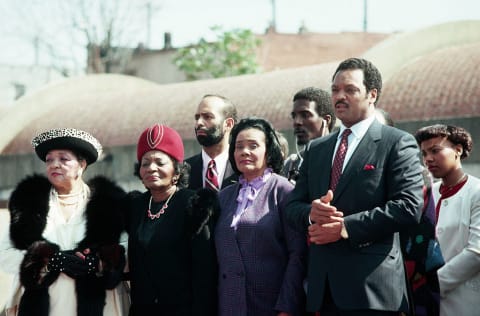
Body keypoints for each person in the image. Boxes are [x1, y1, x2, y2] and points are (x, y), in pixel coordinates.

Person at [285, 57, 424, 315]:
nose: (340, 96)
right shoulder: (317, 149)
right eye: (335, 90)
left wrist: (345, 228)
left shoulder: (396, 143)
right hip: (323, 289)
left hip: (373, 291)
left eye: (350, 89)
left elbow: (409, 206)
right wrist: (310, 213)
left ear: (372, 95)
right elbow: (291, 206)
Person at [0, 128, 129, 316]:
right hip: (45, 304)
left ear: (82, 164)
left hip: (99, 303)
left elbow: (127, 249)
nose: (54, 165)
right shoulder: (29, 205)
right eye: (49, 160)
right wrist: (50, 260)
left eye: (64, 159)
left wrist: (98, 262)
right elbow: (5, 254)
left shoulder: (107, 203)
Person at [215, 117, 307, 316]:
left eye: (253, 146)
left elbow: (297, 254)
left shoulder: (284, 191)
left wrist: (287, 306)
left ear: (269, 151)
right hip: (229, 306)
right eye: (239, 147)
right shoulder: (223, 197)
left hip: (271, 306)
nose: (244, 152)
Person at [125, 123, 217, 316]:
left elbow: (204, 274)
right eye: (145, 163)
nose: (151, 168)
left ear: (177, 170)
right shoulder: (135, 206)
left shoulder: (194, 205)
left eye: (160, 162)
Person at [414, 124, 480, 316]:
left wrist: (431, 285)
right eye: (424, 153)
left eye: (435, 150)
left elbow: (476, 252)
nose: (428, 159)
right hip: (424, 302)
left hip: (466, 300)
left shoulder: (476, 192)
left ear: (458, 150)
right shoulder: (427, 193)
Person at [282, 87, 336, 183]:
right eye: (294, 116)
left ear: (326, 120)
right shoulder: (291, 164)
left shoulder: (340, 159)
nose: (296, 122)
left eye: (305, 115)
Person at [186, 94, 238, 191]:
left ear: (228, 124)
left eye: (207, 117)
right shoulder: (183, 170)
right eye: (197, 118)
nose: (199, 123)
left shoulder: (242, 167)